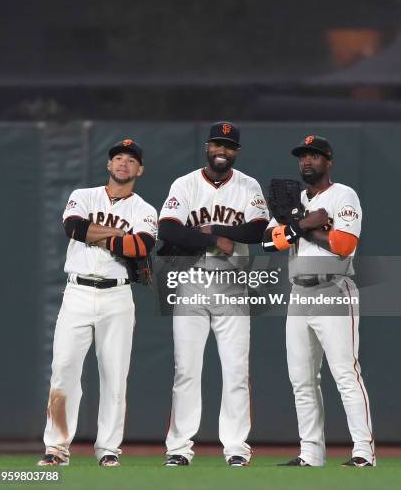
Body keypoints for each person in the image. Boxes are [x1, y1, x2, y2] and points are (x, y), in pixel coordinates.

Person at [37, 139, 157, 467]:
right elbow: (73, 227)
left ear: (139, 170)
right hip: (76, 292)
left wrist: (96, 233)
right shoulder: (83, 196)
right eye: (117, 157)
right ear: (108, 165)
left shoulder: (145, 210)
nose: (123, 163)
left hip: (117, 295)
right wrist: (118, 239)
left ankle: (108, 450)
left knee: (115, 375)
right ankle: (56, 448)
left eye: (130, 160)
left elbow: (141, 246)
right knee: (63, 371)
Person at [158, 122, 269, 467]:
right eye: (217, 144)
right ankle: (179, 448)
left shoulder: (248, 185)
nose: (222, 150)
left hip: (233, 284)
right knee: (186, 369)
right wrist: (210, 239)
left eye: (229, 145)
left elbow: (257, 229)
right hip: (191, 280)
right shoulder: (186, 184)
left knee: (236, 370)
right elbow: (167, 228)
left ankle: (236, 447)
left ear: (236, 151)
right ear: (207, 147)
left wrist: (215, 228)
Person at [262, 135, 375, 467]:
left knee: (345, 373)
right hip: (298, 294)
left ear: (329, 161)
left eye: (314, 155)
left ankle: (363, 452)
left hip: (333, 289)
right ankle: (311, 453)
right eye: (303, 156)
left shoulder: (344, 195)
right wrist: (307, 224)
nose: (307, 161)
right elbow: (268, 244)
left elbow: (342, 244)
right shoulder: (292, 202)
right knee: (301, 379)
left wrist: (298, 229)